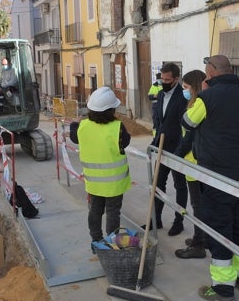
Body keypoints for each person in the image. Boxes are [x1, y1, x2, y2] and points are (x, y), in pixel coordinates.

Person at [182, 55, 239, 300]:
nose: (205, 76)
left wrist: (202, 96)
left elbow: (187, 122)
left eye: (207, 72)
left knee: (219, 229)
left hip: (216, 177)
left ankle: (222, 288)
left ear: (213, 72)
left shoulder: (207, 98)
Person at [69, 87, 131, 248]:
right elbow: (126, 142)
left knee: (95, 211)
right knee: (113, 213)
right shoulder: (118, 127)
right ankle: (111, 243)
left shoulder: (82, 127)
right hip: (115, 184)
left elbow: (74, 136)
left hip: (94, 183)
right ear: (111, 110)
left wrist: (74, 124)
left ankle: (96, 241)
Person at [146, 62, 188, 236]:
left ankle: (179, 221)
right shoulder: (162, 94)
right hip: (161, 147)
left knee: (180, 186)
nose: (163, 82)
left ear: (176, 79)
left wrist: (180, 149)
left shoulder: (183, 97)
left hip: (177, 149)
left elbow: (184, 126)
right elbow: (160, 121)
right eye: (162, 79)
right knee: (158, 184)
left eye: (167, 79)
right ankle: (156, 219)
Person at [173, 70, 207, 259]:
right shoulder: (196, 104)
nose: (183, 91)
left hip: (195, 165)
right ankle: (200, 237)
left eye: (186, 88)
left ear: (194, 87)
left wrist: (176, 155)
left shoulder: (199, 106)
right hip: (194, 164)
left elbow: (189, 137)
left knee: (198, 206)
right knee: (202, 205)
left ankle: (199, 244)